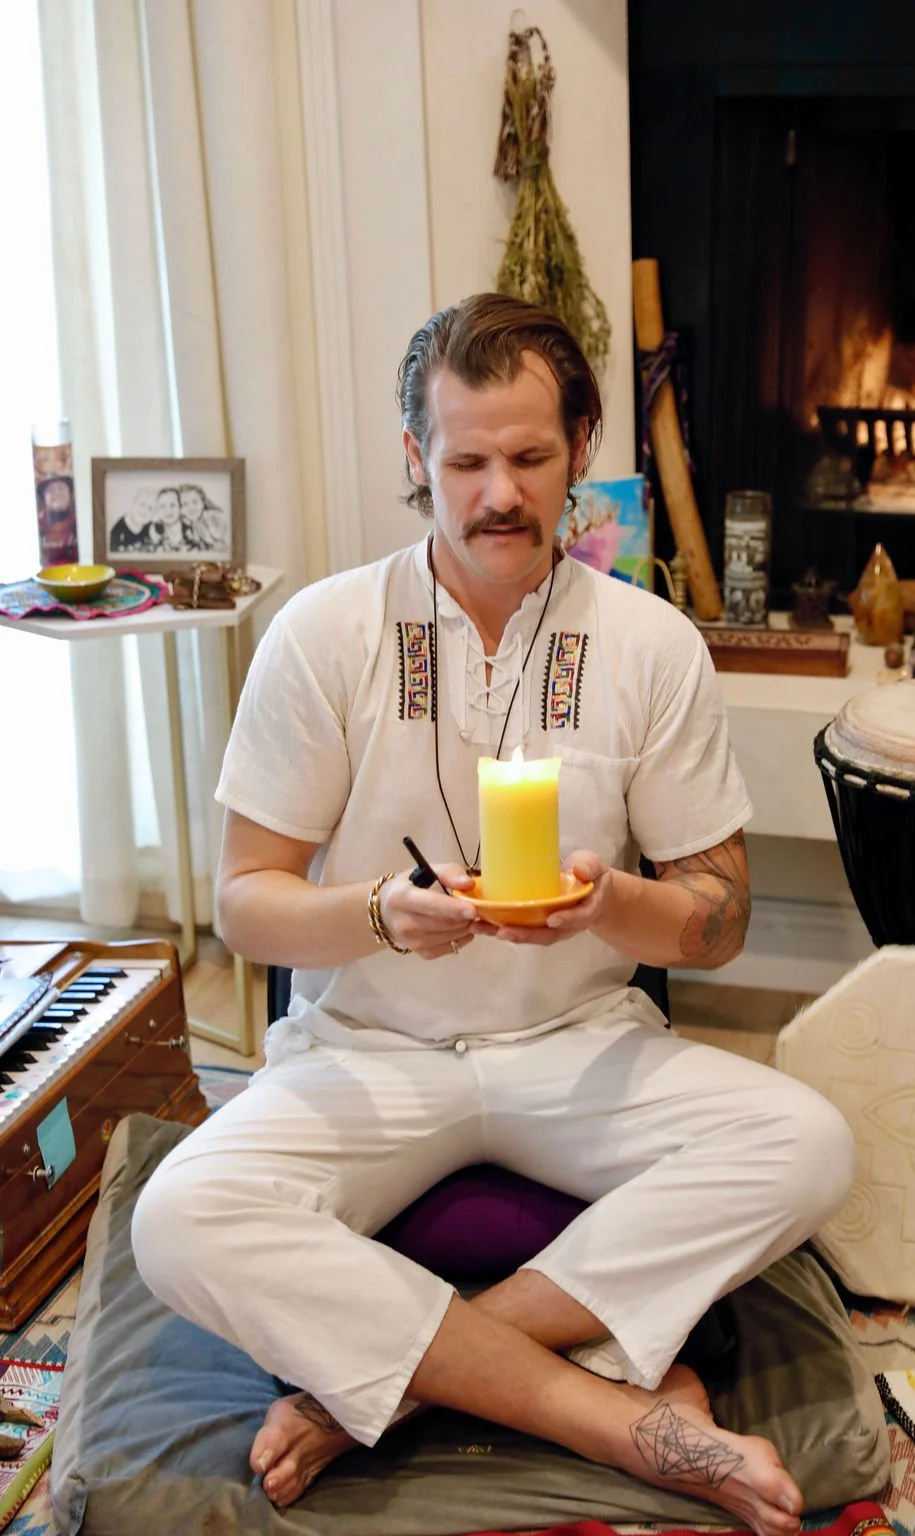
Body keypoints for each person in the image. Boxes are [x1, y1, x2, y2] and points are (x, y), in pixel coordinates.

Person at [131, 293, 854, 1536]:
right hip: (366, 1058)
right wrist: (374, 914)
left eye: (528, 457)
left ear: (581, 446)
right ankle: (611, 1416)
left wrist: (610, 905)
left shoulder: (650, 644)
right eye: (464, 461)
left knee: (810, 1145)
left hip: (579, 1055)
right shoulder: (325, 634)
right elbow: (245, 908)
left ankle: (400, 1388)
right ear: (415, 458)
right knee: (178, 1219)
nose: (498, 494)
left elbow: (718, 919)